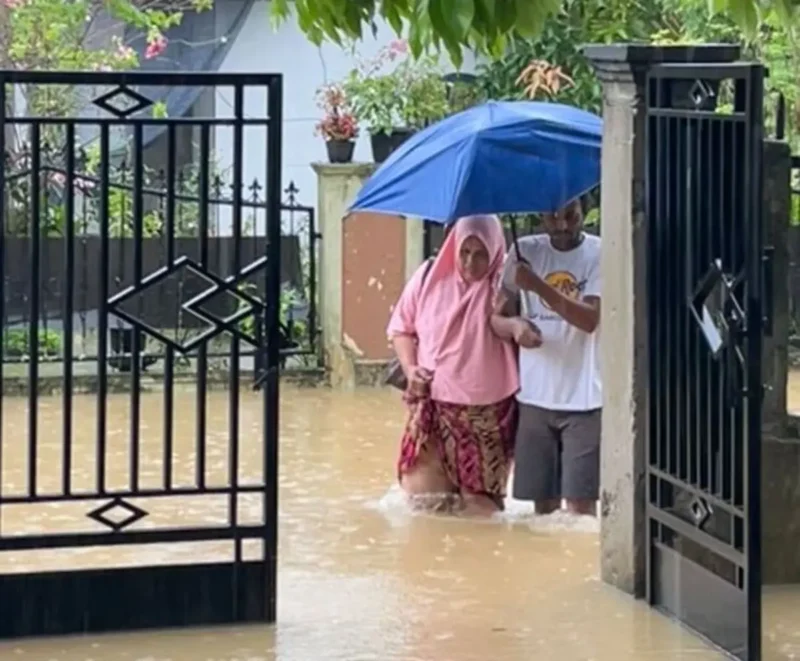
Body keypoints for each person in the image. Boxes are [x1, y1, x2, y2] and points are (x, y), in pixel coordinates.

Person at [386, 215, 537, 516]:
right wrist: (411, 367)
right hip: (432, 409)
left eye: (481, 254)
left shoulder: (506, 286)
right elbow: (401, 328)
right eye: (464, 252)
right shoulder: (429, 277)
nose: (470, 263)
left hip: (489, 417)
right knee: (424, 506)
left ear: (495, 252)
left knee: (480, 510)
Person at [492, 198, 601, 516]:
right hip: (535, 400)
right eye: (553, 218)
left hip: (584, 401)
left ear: (583, 210)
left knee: (581, 507)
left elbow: (590, 319)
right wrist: (515, 326)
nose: (563, 225)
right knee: (543, 511)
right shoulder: (524, 251)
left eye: (571, 215)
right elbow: (495, 319)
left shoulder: (598, 251)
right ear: (541, 216)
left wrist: (537, 286)